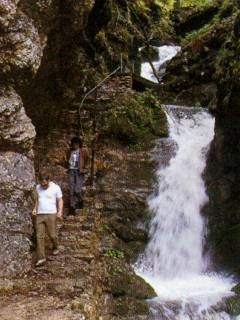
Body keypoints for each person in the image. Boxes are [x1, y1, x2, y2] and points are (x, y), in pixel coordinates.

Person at [32, 170, 63, 267]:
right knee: (39, 236)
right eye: (41, 183)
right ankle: (41, 258)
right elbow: (37, 200)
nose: (43, 185)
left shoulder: (56, 188)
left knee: (52, 234)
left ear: (48, 180)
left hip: (51, 214)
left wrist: (60, 211)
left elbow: (60, 200)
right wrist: (34, 209)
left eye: (45, 184)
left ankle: (56, 246)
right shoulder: (37, 187)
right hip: (40, 214)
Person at [67, 136, 88, 215]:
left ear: (79, 144)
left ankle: (80, 200)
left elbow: (87, 159)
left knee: (77, 190)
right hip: (71, 171)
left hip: (79, 172)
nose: (75, 145)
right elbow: (67, 159)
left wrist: (85, 168)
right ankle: (72, 207)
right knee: (71, 190)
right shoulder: (70, 151)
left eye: (76, 144)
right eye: (73, 144)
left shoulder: (82, 151)